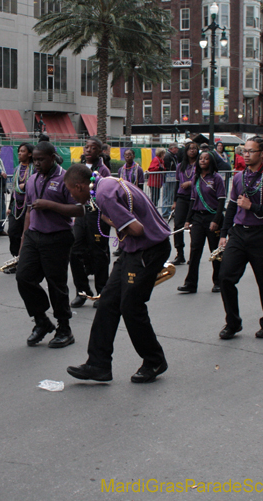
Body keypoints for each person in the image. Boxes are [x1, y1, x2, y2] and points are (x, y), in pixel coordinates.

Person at [64, 164, 172, 383]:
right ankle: (98, 364)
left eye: (71, 191)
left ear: (79, 185)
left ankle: (155, 360)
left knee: (131, 306)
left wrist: (108, 220)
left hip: (147, 249)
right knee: (108, 303)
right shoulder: (105, 183)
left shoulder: (104, 195)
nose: (72, 196)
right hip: (132, 250)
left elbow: (136, 229)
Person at [217, 137, 263, 340]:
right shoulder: (239, 178)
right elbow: (231, 206)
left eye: (251, 151)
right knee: (225, 278)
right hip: (239, 233)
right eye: (244, 151)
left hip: (261, 235)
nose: (246, 155)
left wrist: (252, 207)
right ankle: (233, 323)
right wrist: (224, 233)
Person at [16, 141, 84, 348]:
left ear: (52, 157)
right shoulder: (32, 179)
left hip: (57, 237)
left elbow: (79, 209)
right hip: (34, 236)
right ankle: (41, 321)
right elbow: (29, 210)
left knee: (57, 284)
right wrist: (23, 238)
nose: (36, 163)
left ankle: (64, 328)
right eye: (34, 159)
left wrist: (50, 205)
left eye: (40, 159)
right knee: (23, 277)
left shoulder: (66, 179)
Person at [70, 137, 112, 308]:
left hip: (98, 215)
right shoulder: (78, 168)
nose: (88, 150)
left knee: (98, 253)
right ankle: (82, 291)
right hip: (80, 214)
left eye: (93, 148)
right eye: (86, 147)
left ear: (99, 151)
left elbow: (107, 193)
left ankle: (102, 292)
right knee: (74, 252)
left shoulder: (104, 170)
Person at [178, 151, 225, 293]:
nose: (203, 161)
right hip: (198, 218)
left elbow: (222, 200)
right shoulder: (196, 178)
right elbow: (193, 200)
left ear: (211, 161)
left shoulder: (217, 178)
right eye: (201, 159)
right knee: (195, 251)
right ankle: (190, 283)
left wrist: (216, 220)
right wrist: (188, 219)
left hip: (212, 217)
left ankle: (218, 282)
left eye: (206, 159)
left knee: (215, 252)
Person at [171, 141, 198, 265]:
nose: (192, 150)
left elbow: (203, 180)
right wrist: (175, 201)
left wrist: (190, 183)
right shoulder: (180, 166)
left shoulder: (200, 165)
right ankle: (180, 253)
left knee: (193, 227)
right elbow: (177, 184)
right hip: (182, 197)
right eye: (190, 148)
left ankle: (193, 255)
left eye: (194, 148)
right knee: (178, 225)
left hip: (196, 199)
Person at [6, 142, 34, 264]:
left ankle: (24, 259)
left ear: (29, 154)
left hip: (28, 206)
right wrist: (9, 206)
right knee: (12, 232)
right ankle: (16, 256)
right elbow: (14, 189)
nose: (19, 153)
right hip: (16, 206)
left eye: (22, 151)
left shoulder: (34, 169)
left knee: (26, 233)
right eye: (19, 151)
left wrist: (26, 185)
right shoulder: (17, 169)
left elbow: (36, 184)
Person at [160, 144, 179, 218]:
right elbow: (167, 168)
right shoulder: (168, 156)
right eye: (176, 148)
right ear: (173, 148)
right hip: (168, 178)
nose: (177, 150)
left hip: (171, 178)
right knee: (167, 195)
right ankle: (165, 212)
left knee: (170, 195)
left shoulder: (172, 156)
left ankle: (168, 211)